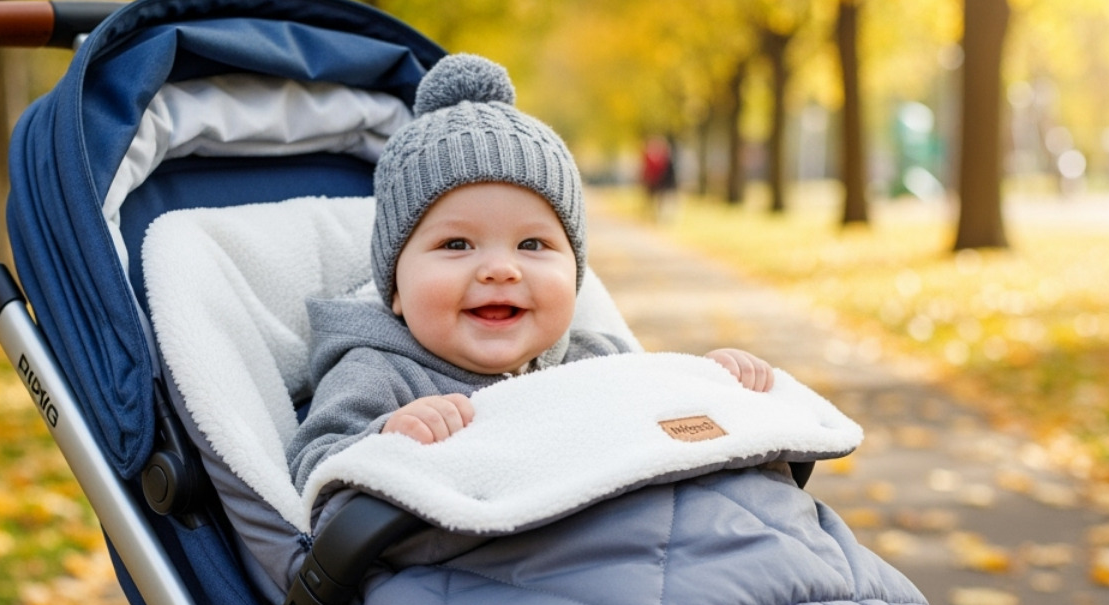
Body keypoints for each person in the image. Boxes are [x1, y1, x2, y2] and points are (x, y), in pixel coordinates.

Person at [287, 54, 771, 493]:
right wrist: (387, 438)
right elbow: (312, 467)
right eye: (456, 244)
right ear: (395, 288)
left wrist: (709, 384)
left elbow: (665, 423)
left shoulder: (597, 361)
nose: (500, 269)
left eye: (532, 244)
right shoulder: (378, 373)